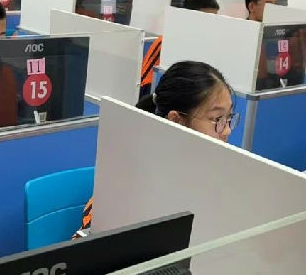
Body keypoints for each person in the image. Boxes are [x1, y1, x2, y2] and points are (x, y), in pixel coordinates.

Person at [78, 60, 237, 237]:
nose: (227, 130)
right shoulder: (127, 183)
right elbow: (88, 244)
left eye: (229, 118)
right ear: (176, 121)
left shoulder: (218, 179)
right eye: (217, 119)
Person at [140, 0, 220, 98]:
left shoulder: (205, 45)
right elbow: (145, 85)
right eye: (207, 19)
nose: (212, 25)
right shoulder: (165, 42)